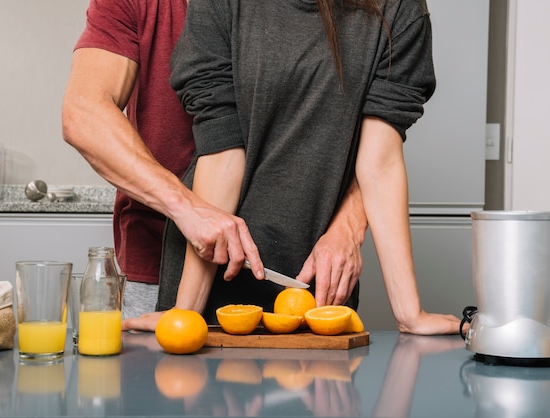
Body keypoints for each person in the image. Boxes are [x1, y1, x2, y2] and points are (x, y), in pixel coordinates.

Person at [125, 0, 462, 334]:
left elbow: (380, 162)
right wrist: (186, 312)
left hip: (316, 290)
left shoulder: (399, 9)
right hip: (213, 287)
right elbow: (222, 150)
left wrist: (409, 313)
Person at [62, 0, 365, 319]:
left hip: (297, 271)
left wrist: (350, 223)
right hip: (156, 262)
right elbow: (84, 113)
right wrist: (187, 208)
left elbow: (375, 132)